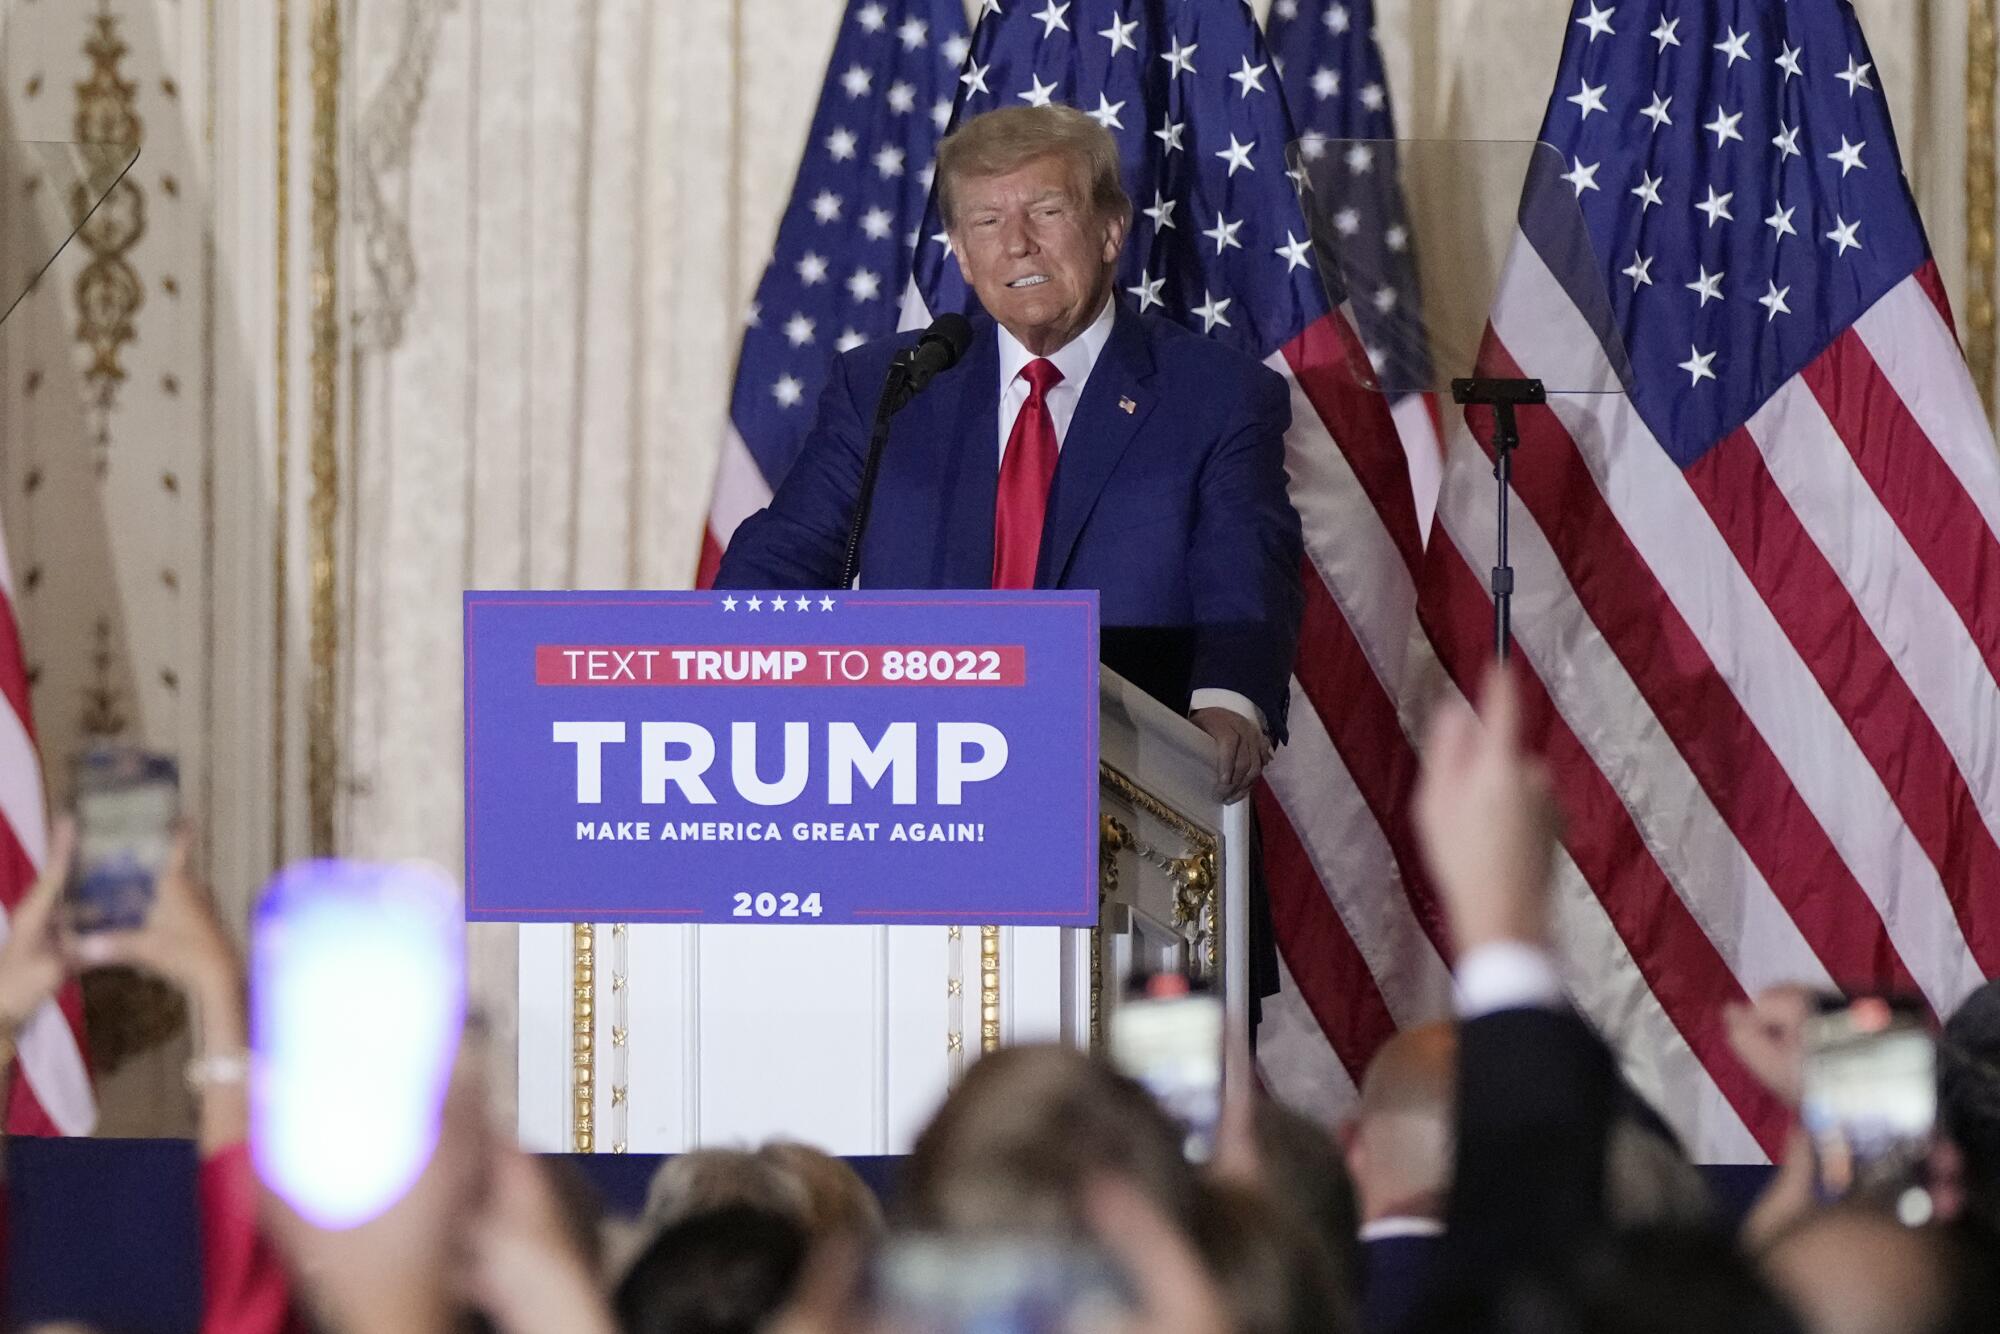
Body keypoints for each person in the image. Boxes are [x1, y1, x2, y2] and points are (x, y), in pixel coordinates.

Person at [715, 103, 1305, 806]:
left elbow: (1245, 579)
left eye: (1047, 211)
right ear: (961, 252)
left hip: (1129, 800)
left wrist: (1229, 706)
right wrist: (732, 671)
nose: (1017, 244)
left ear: (1111, 229)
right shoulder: (891, 387)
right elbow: (780, 560)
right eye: (987, 223)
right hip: (909, 790)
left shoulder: (1216, 397)